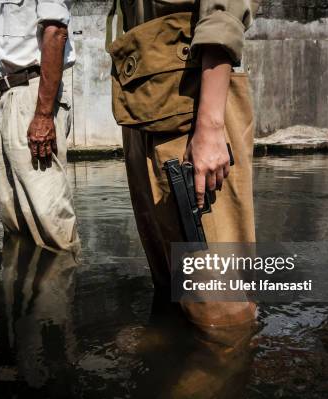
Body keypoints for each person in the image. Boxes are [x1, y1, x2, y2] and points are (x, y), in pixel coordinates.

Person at [110, 0, 260, 344]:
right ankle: (182, 352)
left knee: (220, 304)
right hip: (147, 105)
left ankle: (222, 369)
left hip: (194, 105)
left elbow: (223, 11)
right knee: (173, 280)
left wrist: (209, 125)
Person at [0, 0, 79, 252]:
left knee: (49, 225)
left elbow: (55, 32)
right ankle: (26, 289)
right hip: (10, 97)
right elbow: (17, 52)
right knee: (17, 224)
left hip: (33, 100)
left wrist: (42, 115)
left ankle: (58, 288)